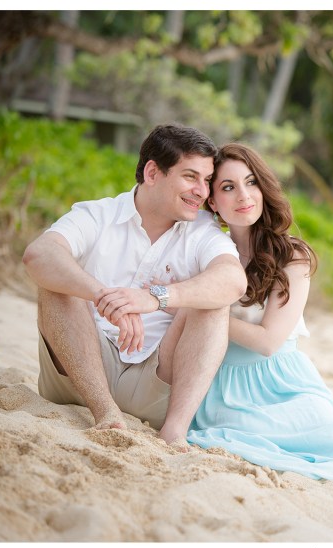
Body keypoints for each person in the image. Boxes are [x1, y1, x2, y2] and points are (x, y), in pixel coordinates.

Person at [186, 143, 333, 483]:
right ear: (212, 201)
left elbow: (269, 341)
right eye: (228, 187)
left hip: (279, 382)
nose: (244, 195)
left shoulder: (292, 256)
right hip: (218, 381)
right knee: (231, 433)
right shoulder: (207, 248)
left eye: (251, 182)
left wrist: (200, 307)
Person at [22, 124, 247, 449]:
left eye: (207, 180)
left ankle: (174, 431)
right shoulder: (98, 214)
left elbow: (233, 280)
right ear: (153, 172)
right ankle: (105, 412)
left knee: (213, 303)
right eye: (190, 177)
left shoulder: (202, 232)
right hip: (78, 372)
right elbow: (38, 254)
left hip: (153, 382)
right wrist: (103, 297)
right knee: (58, 282)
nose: (202, 191)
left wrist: (155, 298)